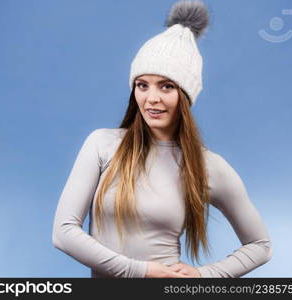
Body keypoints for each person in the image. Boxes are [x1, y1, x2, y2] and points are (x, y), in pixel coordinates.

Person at [52, 0, 272, 278]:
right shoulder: (102, 144)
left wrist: (206, 276)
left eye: (166, 86)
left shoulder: (206, 166)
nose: (151, 98)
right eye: (142, 85)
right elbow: (63, 232)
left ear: (186, 95)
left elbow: (260, 245)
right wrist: (140, 271)